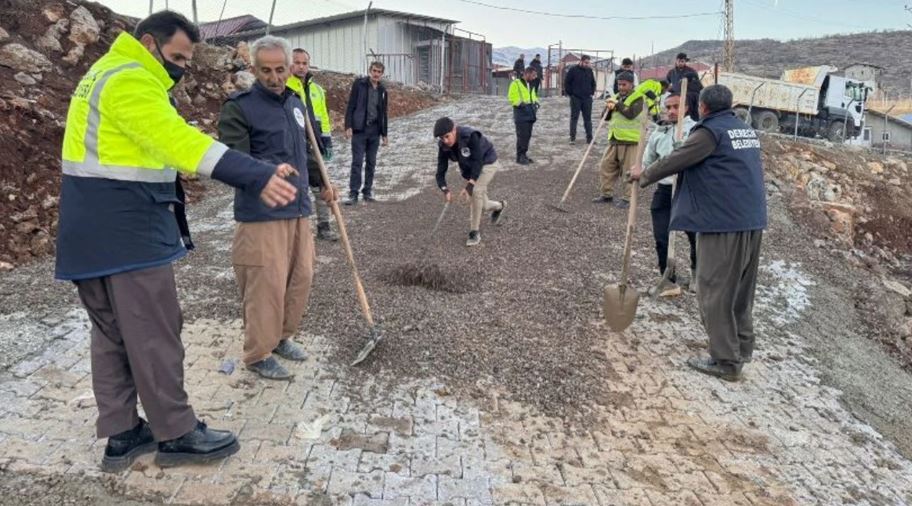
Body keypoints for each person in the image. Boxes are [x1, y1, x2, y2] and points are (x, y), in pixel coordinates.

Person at [57, 11, 300, 472]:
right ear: (149, 44)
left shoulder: (100, 73)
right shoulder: (131, 79)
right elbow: (175, 140)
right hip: (126, 231)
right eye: (177, 57)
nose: (182, 68)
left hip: (89, 232)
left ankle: (122, 433)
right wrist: (253, 173)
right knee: (154, 334)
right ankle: (177, 432)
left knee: (111, 335)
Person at [218, 36, 338, 380]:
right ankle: (258, 352)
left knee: (300, 278)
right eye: (266, 70)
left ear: (291, 68)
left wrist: (323, 184)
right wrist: (266, 174)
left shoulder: (296, 104)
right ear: (254, 69)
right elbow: (232, 162)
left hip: (299, 209)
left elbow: (308, 151)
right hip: (262, 214)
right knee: (264, 285)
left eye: (280, 70)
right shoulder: (238, 107)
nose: (274, 77)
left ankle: (283, 336)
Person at [632, 84, 767, 382]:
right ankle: (742, 347)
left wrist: (644, 174)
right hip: (752, 219)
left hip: (723, 223)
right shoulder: (743, 130)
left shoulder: (709, 133)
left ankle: (726, 361)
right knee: (741, 291)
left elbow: (677, 159)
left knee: (713, 289)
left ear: (702, 107)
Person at [640, 92, 697, 291]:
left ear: (686, 108)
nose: (671, 111)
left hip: (689, 191)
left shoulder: (696, 130)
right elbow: (648, 162)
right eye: (668, 107)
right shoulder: (659, 133)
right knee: (661, 237)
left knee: (695, 235)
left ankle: (697, 275)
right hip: (664, 190)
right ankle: (668, 277)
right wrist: (640, 172)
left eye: (676, 107)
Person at [287, 48, 338, 241]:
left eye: (304, 63)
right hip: (294, 146)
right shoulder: (285, 88)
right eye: (297, 62)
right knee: (298, 188)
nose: (301, 66)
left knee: (322, 185)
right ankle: (298, 231)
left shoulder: (317, 90)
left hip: (314, 144)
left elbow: (323, 116)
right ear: (290, 64)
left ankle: (324, 227)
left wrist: (327, 140)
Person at [433, 117, 505, 247]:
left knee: (475, 192)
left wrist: (470, 184)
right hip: (471, 169)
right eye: (441, 138)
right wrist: (445, 190)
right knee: (482, 205)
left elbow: (478, 161)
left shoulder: (470, 136)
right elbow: (440, 171)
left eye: (447, 136)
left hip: (487, 163)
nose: (445, 141)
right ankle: (500, 206)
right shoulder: (443, 146)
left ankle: (474, 232)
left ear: (454, 130)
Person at [592, 71, 644, 209]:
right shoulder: (615, 97)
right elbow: (606, 117)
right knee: (606, 166)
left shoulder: (639, 98)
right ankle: (606, 194)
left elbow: (631, 114)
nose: (621, 87)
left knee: (629, 170)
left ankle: (628, 198)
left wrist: (618, 105)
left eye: (624, 84)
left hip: (631, 140)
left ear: (631, 84)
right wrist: (608, 109)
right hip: (614, 138)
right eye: (619, 84)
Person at [344, 61, 389, 205]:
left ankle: (367, 192)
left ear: (382, 74)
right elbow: (351, 105)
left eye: (379, 72)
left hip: (374, 131)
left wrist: (384, 134)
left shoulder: (383, 91)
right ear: (370, 71)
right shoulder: (359, 84)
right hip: (360, 130)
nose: (376, 74)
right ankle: (353, 193)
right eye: (374, 71)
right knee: (357, 162)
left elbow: (384, 113)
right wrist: (348, 126)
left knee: (371, 162)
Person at [509, 66, 539, 165]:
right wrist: (520, 103)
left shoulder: (531, 84)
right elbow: (511, 97)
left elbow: (533, 95)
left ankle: (524, 155)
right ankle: (520, 157)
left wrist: (536, 103)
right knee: (522, 136)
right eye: (533, 75)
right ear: (527, 74)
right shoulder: (516, 83)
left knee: (527, 136)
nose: (535, 77)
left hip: (530, 112)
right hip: (521, 113)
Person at [564, 55, 597, 145]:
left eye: (588, 63)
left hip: (587, 99)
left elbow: (593, 83)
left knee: (588, 119)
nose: (587, 64)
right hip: (576, 98)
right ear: (581, 61)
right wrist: (571, 94)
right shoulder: (573, 70)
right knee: (574, 118)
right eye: (586, 62)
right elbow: (567, 83)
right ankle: (572, 138)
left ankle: (589, 138)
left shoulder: (589, 71)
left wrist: (591, 92)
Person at [665, 53, 703, 121]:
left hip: (690, 97)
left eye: (682, 61)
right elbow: (667, 84)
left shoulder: (691, 71)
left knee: (690, 115)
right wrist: (671, 90)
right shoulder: (671, 72)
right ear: (676, 61)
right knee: (679, 115)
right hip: (677, 98)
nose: (680, 63)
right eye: (679, 61)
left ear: (685, 61)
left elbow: (697, 84)